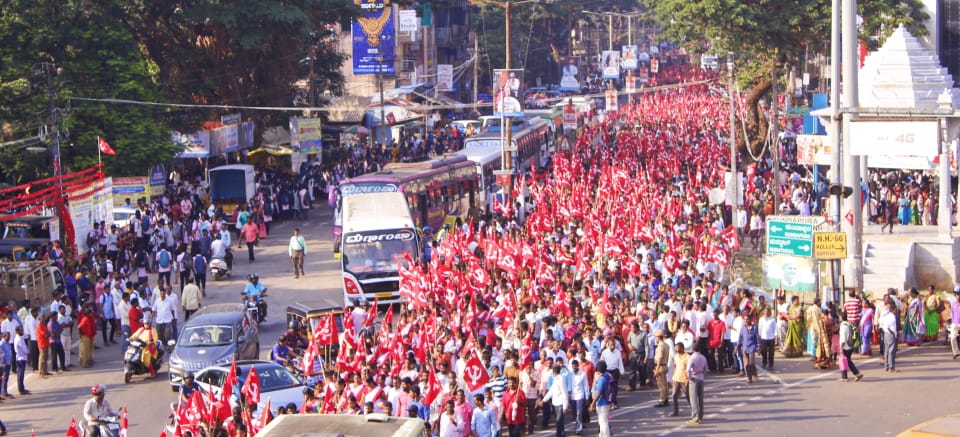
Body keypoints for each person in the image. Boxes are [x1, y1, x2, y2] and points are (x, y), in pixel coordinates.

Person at [540, 364, 569, 437]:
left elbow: (564, 392)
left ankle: (560, 435)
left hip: (560, 404)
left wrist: (565, 406)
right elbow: (551, 391)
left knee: (559, 421)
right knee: (558, 421)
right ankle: (560, 434)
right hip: (555, 403)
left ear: (554, 372)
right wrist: (544, 400)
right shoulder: (556, 379)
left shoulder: (561, 379)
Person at [686, 343, 708, 425]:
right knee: (700, 398)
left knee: (693, 399)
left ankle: (695, 417)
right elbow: (706, 369)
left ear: (693, 349)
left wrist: (689, 377)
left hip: (694, 378)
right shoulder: (703, 357)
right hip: (701, 377)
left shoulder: (692, 357)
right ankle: (700, 416)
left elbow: (688, 369)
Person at [838, 311, 864, 382]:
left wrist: (840, 348)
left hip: (845, 347)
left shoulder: (843, 326)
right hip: (850, 346)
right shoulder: (849, 324)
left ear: (841, 317)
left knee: (843, 361)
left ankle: (845, 377)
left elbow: (843, 338)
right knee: (848, 361)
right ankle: (857, 373)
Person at [589, 361, 612, 437]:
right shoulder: (607, 376)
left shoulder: (602, 379)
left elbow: (599, 393)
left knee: (603, 422)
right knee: (602, 421)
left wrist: (592, 403)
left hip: (602, 403)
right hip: (605, 402)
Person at [651, 329, 670, 408]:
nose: (656, 338)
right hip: (665, 365)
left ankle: (662, 400)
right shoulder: (666, 345)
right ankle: (666, 399)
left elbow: (659, 358)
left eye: (656, 337)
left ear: (659, 337)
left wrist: (657, 369)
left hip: (660, 366)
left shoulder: (660, 346)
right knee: (665, 384)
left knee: (661, 385)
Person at [669, 342, 689, 418]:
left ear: (681, 348)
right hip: (676, 378)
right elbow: (675, 366)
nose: (676, 349)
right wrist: (673, 376)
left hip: (684, 379)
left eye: (677, 348)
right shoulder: (676, 356)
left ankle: (694, 409)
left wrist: (688, 379)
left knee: (688, 396)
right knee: (674, 395)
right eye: (675, 348)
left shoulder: (687, 357)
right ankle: (675, 411)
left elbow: (689, 369)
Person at [740, 315, 760, 383]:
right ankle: (749, 378)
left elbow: (757, 338)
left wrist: (758, 346)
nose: (746, 321)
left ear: (750, 320)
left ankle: (754, 375)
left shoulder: (754, 328)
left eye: (747, 319)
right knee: (746, 364)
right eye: (745, 319)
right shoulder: (743, 328)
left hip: (752, 347)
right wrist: (737, 346)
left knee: (751, 363)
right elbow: (740, 337)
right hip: (745, 348)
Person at [880, 300, 899, 372]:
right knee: (891, 351)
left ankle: (886, 366)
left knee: (886, 351)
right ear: (893, 310)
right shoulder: (892, 317)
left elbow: (880, 321)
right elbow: (894, 328)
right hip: (891, 333)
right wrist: (895, 335)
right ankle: (891, 367)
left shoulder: (885, 315)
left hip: (885, 333)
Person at [13, 326, 29, 394]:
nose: (22, 331)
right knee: (20, 374)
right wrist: (28, 352)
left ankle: (22, 388)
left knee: (21, 374)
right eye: (21, 330)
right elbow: (23, 349)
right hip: (21, 358)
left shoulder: (20, 337)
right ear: (17, 331)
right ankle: (21, 389)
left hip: (22, 357)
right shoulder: (18, 339)